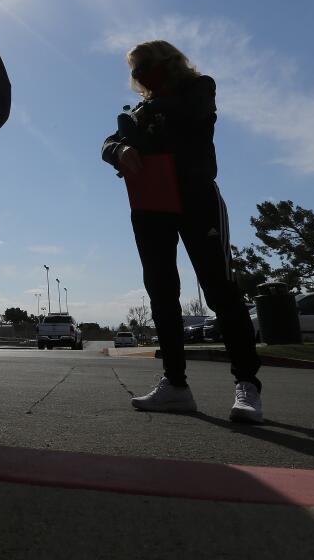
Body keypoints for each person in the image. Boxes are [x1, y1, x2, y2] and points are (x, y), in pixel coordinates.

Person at [101, 41, 264, 423]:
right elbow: (108, 142)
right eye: (135, 68)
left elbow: (194, 115)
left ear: (169, 63)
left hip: (196, 199)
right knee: (161, 292)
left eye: (146, 65)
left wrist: (143, 117)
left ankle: (247, 385)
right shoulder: (141, 109)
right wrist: (120, 149)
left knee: (220, 288)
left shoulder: (198, 88)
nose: (140, 74)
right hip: (150, 203)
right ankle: (175, 385)